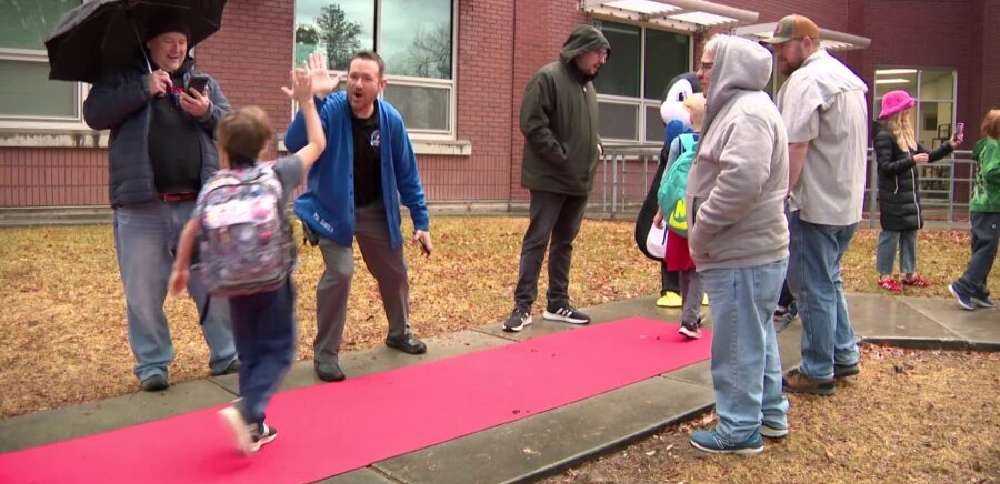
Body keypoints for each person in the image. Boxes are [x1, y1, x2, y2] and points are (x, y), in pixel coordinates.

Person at [168, 68, 325, 454]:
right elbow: (318, 144)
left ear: (223, 149)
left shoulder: (214, 186)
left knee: (251, 351)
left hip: (231, 284)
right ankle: (249, 408)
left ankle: (254, 425)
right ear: (262, 148)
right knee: (280, 350)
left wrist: (181, 269)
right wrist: (306, 101)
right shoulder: (277, 173)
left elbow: (191, 229)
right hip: (273, 282)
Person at [82, 16, 236, 392]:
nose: (177, 49)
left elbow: (234, 128)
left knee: (211, 285)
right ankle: (153, 363)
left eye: (182, 42)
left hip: (198, 207)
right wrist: (142, 88)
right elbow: (94, 114)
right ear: (149, 45)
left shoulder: (203, 83)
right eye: (168, 40)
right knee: (143, 292)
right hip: (142, 207)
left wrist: (208, 114)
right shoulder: (123, 78)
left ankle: (226, 354)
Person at [286, 51, 432, 382]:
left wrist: (421, 222)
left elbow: (408, 174)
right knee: (340, 271)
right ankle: (325, 354)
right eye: (353, 76)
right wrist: (313, 100)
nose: (358, 84)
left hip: (375, 210)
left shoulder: (390, 120)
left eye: (366, 78)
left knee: (394, 271)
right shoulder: (332, 108)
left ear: (381, 84)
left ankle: (399, 332)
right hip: (331, 211)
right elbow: (296, 142)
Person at [684, 35, 790, 454]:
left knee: (736, 343)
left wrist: (702, 230)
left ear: (730, 67)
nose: (700, 72)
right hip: (748, 251)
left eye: (708, 64)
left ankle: (739, 428)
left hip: (741, 252)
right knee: (755, 335)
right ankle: (769, 413)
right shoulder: (744, 109)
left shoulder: (747, 114)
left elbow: (741, 183)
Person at [765, 14, 869, 395]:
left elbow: (796, 145)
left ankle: (817, 367)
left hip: (815, 203)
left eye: (784, 45)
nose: (778, 53)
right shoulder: (846, 79)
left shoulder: (806, 82)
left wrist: (780, 196)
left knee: (812, 287)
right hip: (846, 202)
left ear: (807, 42)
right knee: (830, 280)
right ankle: (843, 354)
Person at [502, 24, 610, 332]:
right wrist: (561, 157)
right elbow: (532, 124)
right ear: (581, 50)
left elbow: (584, 130)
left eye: (605, 55)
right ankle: (522, 307)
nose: (601, 61)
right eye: (598, 53)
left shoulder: (589, 88)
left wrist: (595, 149)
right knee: (537, 240)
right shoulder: (547, 78)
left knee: (565, 241)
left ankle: (557, 303)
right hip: (550, 178)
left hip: (579, 180)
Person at [873, 90, 960, 293]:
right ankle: (884, 274)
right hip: (893, 196)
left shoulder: (908, 138)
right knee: (891, 235)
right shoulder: (884, 136)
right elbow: (885, 166)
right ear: (897, 112)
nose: (909, 115)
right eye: (906, 110)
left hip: (909, 197)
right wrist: (911, 161)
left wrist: (949, 146)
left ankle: (909, 273)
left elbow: (928, 156)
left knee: (910, 233)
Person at [654, 93, 706, 339]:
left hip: (678, 212)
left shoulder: (679, 142)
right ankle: (691, 317)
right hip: (703, 211)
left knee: (685, 266)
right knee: (696, 266)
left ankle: (689, 313)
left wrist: (660, 211)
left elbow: (667, 179)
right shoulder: (711, 141)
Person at [950, 109, 1000, 310]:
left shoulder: (986, 146)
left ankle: (979, 289)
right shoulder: (994, 147)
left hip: (981, 204)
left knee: (982, 247)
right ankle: (965, 285)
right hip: (991, 205)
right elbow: (991, 172)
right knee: (987, 248)